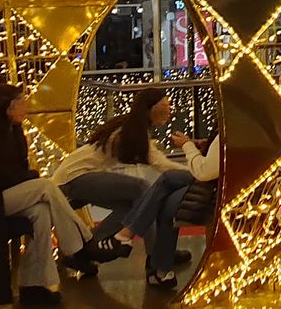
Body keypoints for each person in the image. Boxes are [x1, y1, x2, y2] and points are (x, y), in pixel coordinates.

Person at [0, 84, 112, 308]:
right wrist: (27, 177)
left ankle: (34, 285)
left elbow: (13, 175)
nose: (27, 107)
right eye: (21, 101)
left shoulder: (13, 132)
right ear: (6, 107)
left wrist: (24, 176)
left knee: (40, 211)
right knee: (44, 187)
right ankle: (82, 245)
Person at [53, 90, 220, 291]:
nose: (169, 111)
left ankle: (86, 249)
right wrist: (197, 173)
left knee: (135, 205)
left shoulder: (131, 127)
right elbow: (161, 164)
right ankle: (155, 255)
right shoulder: (130, 130)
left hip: (75, 175)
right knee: (143, 189)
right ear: (150, 109)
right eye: (165, 107)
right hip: (74, 177)